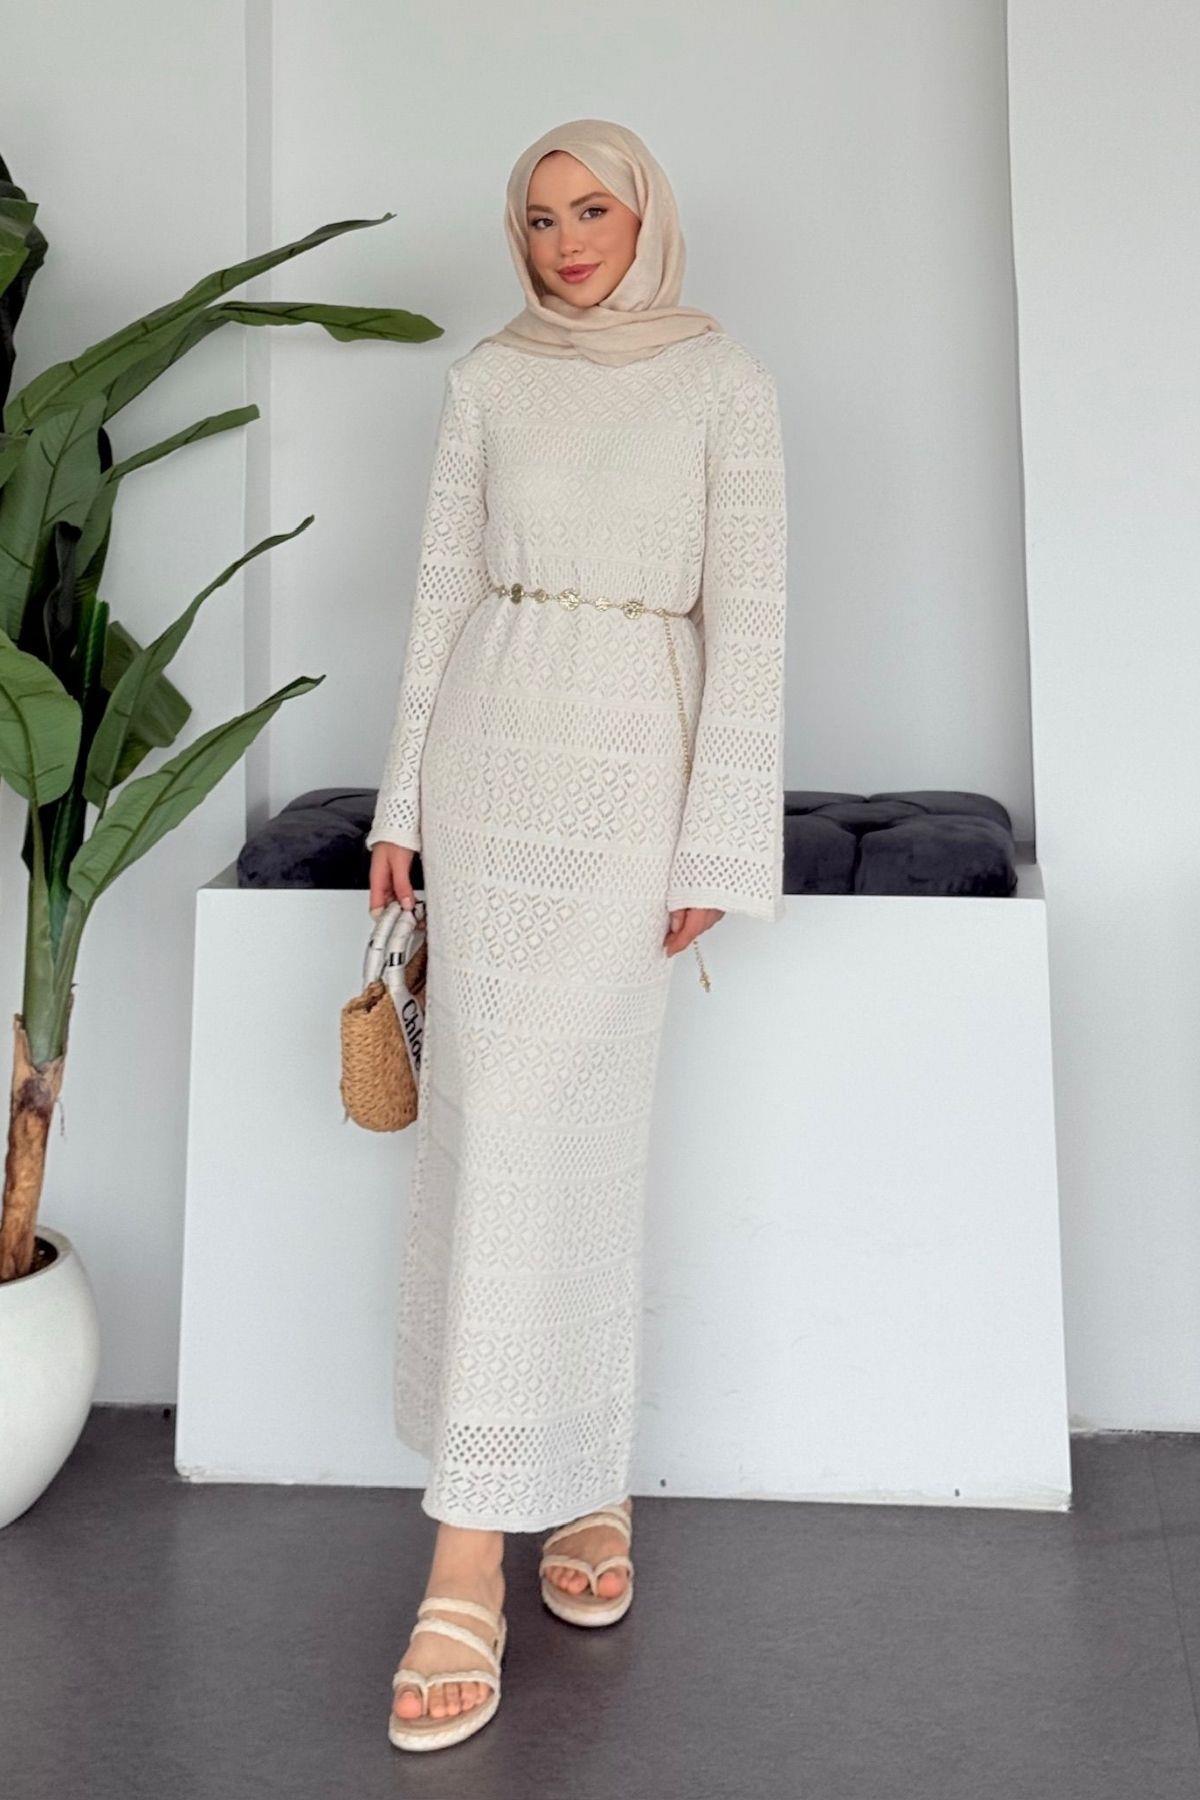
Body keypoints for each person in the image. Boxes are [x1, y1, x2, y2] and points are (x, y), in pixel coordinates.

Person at [367, 117, 789, 1752]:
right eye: (539, 218)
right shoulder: (489, 377)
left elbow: (751, 618)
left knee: (576, 1130)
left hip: (632, 765)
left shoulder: (723, 383)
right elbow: (437, 597)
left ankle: (506, 1522)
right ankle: (521, 1516)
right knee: (495, 1128)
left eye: (592, 207)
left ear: (644, 214)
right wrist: (399, 809)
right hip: (491, 752)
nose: (566, 240)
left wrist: (720, 836)